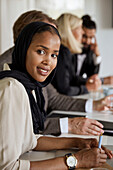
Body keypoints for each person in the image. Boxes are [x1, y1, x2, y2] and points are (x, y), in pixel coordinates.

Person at [1, 21, 113, 169]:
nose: (48, 61)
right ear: (23, 49)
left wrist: (78, 143)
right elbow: (7, 167)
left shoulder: (28, 84)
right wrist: (75, 161)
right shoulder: (11, 88)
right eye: (41, 51)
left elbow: (29, 140)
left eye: (54, 55)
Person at [51, 13, 101, 96]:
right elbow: (64, 89)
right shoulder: (63, 51)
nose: (82, 32)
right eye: (80, 28)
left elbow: (72, 78)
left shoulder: (66, 50)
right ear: (69, 30)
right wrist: (87, 88)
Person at [82, 14, 113, 85]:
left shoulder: (89, 50)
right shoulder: (70, 51)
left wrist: (97, 56)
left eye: (91, 37)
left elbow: (93, 76)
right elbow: (73, 79)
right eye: (85, 36)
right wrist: (102, 81)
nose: (88, 41)